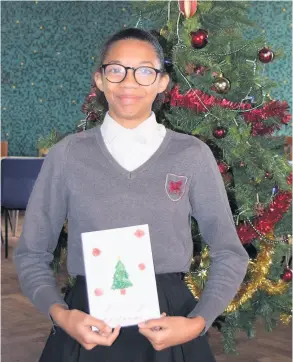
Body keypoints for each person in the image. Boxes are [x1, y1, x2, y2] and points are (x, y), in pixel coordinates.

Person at [14, 28, 249, 362]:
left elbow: (230, 252)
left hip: (172, 325)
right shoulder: (67, 156)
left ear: (162, 82)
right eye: (116, 70)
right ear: (100, 79)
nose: (129, 82)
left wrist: (198, 323)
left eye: (144, 71)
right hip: (86, 324)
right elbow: (31, 253)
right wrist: (60, 314)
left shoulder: (192, 155)